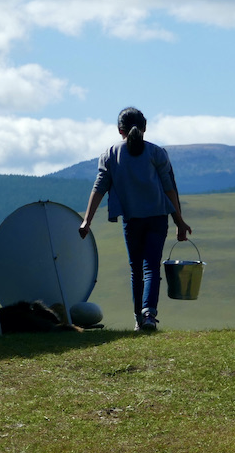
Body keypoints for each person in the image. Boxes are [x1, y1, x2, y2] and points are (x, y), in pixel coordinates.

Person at [79, 108, 192, 331]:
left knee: (136, 270)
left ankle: (138, 320)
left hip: (132, 221)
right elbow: (170, 190)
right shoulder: (157, 153)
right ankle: (149, 315)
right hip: (158, 218)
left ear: (119, 129)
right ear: (145, 127)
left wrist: (87, 221)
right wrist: (179, 220)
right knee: (151, 267)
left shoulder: (110, 154)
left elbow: (99, 188)